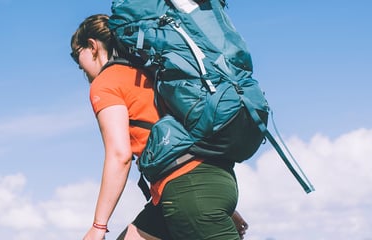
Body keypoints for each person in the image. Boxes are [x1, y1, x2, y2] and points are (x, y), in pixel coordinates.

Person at [71, 14, 249, 240]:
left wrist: (98, 226)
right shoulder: (150, 72)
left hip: (188, 190)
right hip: (209, 181)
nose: (80, 67)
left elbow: (120, 155)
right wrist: (220, 205)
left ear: (92, 46)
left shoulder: (105, 83)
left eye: (77, 56)